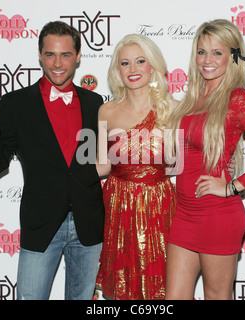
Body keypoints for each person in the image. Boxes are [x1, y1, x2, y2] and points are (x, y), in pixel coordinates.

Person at [0, 21, 104, 300]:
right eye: (50, 54)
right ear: (39, 55)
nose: (57, 63)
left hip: (89, 224)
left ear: (78, 56)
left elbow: (104, 160)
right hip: (41, 223)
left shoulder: (96, 103)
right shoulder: (16, 103)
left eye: (66, 55)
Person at [164, 19, 245, 300]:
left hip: (217, 216)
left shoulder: (236, 100)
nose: (207, 60)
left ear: (232, 57)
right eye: (201, 51)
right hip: (183, 214)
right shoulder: (191, 98)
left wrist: (233, 186)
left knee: (217, 296)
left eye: (217, 52)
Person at [95, 34, 177, 300]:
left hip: (158, 204)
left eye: (140, 61)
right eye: (125, 63)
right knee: (121, 287)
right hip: (118, 205)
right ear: (117, 70)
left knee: (164, 285)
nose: (132, 70)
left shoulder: (174, 109)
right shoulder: (106, 111)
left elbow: (184, 164)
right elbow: (102, 166)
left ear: (152, 66)